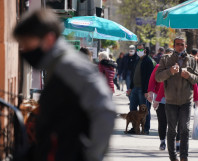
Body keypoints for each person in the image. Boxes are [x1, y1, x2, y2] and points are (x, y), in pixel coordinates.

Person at [13, 9, 116, 161]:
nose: (25, 50)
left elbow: (105, 111)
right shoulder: (57, 65)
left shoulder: (69, 67)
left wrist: (91, 156)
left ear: (48, 39)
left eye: (28, 44)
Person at [156, 37, 198, 161]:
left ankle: (184, 156)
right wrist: (169, 71)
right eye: (178, 44)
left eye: (182, 44)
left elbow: (197, 78)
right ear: (174, 46)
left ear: (185, 45)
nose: (180, 46)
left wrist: (189, 75)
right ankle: (173, 156)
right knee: (172, 130)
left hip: (186, 100)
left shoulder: (191, 60)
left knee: (185, 129)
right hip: (170, 100)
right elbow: (158, 77)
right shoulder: (166, 59)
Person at [127, 43, 154, 134]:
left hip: (143, 90)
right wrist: (130, 88)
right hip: (134, 88)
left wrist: (147, 91)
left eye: (140, 50)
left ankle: (145, 129)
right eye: (137, 50)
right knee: (133, 109)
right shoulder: (137, 60)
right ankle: (135, 128)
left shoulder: (148, 61)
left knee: (145, 110)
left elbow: (149, 77)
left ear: (145, 50)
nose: (138, 52)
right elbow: (133, 75)